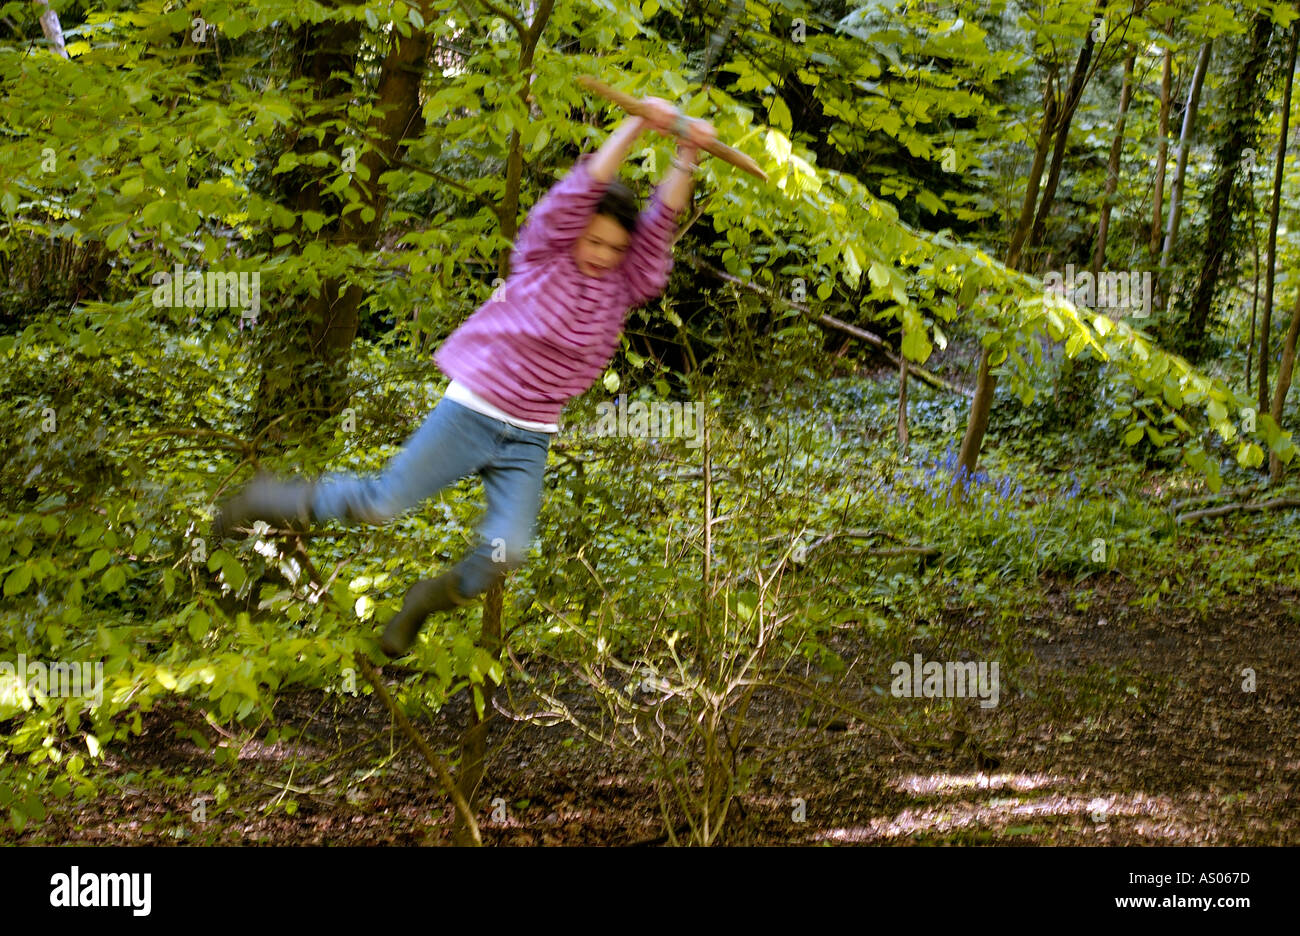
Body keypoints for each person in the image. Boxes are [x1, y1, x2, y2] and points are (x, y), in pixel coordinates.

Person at [213, 99, 716, 656]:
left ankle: (428, 598)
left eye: (615, 247)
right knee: (383, 503)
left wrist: (686, 155)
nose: (603, 254)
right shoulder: (544, 251)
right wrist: (637, 124)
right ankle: (273, 500)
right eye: (593, 240)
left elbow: (659, 228)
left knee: (508, 550)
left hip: (531, 432)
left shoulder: (622, 282)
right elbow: (581, 191)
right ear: (573, 233)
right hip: (475, 408)